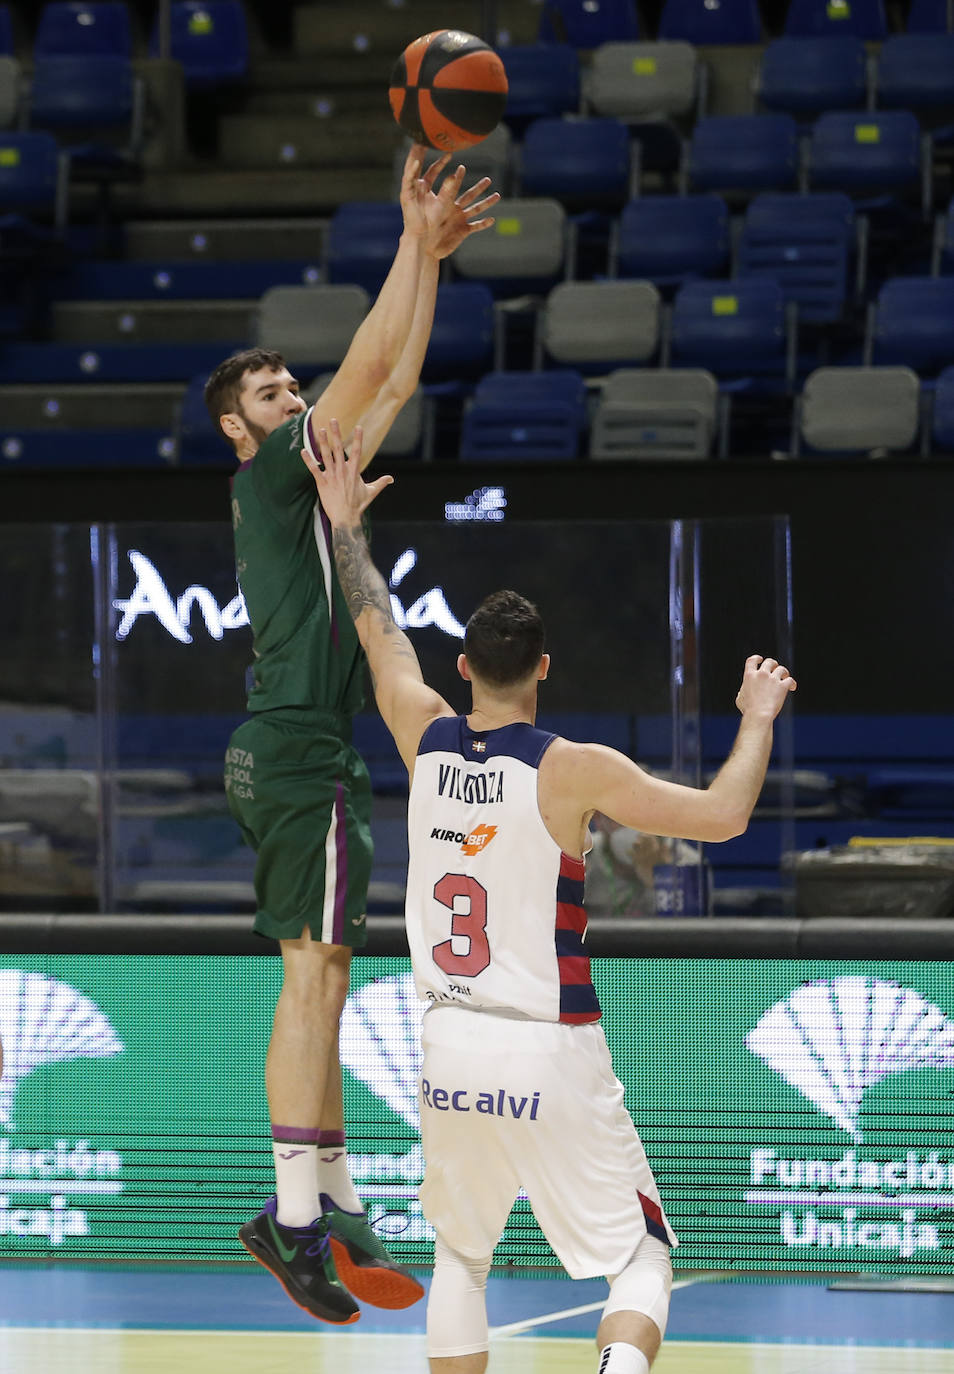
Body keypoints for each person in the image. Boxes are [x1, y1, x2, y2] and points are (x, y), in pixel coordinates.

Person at [302, 420, 797, 1373]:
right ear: (543, 666)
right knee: (640, 1256)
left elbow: (376, 626)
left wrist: (345, 527)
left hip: (446, 1039)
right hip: (547, 1040)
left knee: (460, 1253)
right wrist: (757, 716)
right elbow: (727, 816)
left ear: (463, 668)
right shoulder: (573, 769)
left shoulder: (422, 732)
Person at [206, 145, 499, 1326]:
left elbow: (395, 383)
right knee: (311, 983)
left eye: (292, 390)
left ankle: (330, 1193)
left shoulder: (313, 479)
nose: (297, 400)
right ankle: (291, 1216)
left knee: (323, 978)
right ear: (245, 432)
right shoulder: (275, 474)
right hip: (295, 748)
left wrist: (428, 262)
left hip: (294, 747)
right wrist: (404, 242)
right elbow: (367, 361)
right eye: (276, 394)